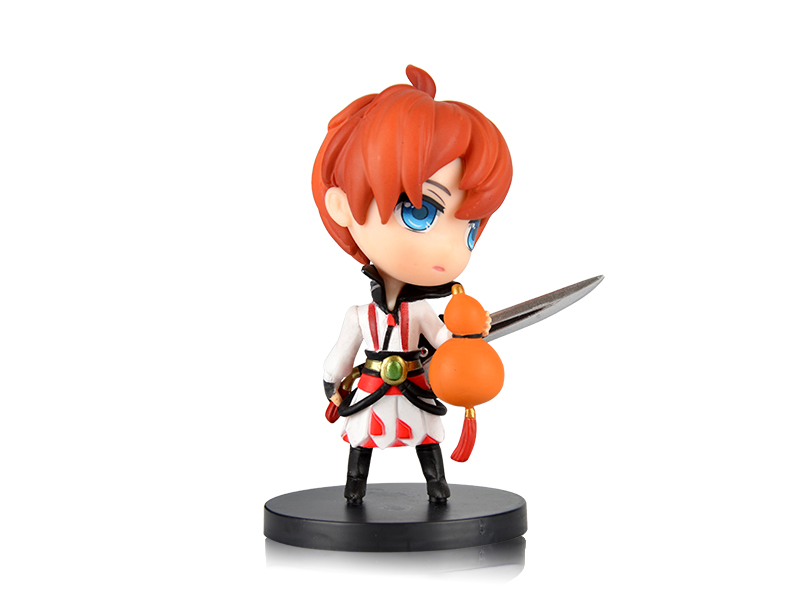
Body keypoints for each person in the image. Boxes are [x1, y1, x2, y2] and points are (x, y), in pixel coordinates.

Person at [312, 65, 513, 504]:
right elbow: (340, 356)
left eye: (470, 229)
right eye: (420, 212)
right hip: (372, 388)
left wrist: (466, 344)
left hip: (414, 386)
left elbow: (445, 343)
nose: (450, 248)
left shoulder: (421, 312)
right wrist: (332, 380)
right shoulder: (360, 316)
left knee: (426, 438)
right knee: (361, 440)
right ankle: (354, 492)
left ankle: (438, 489)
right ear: (342, 206)